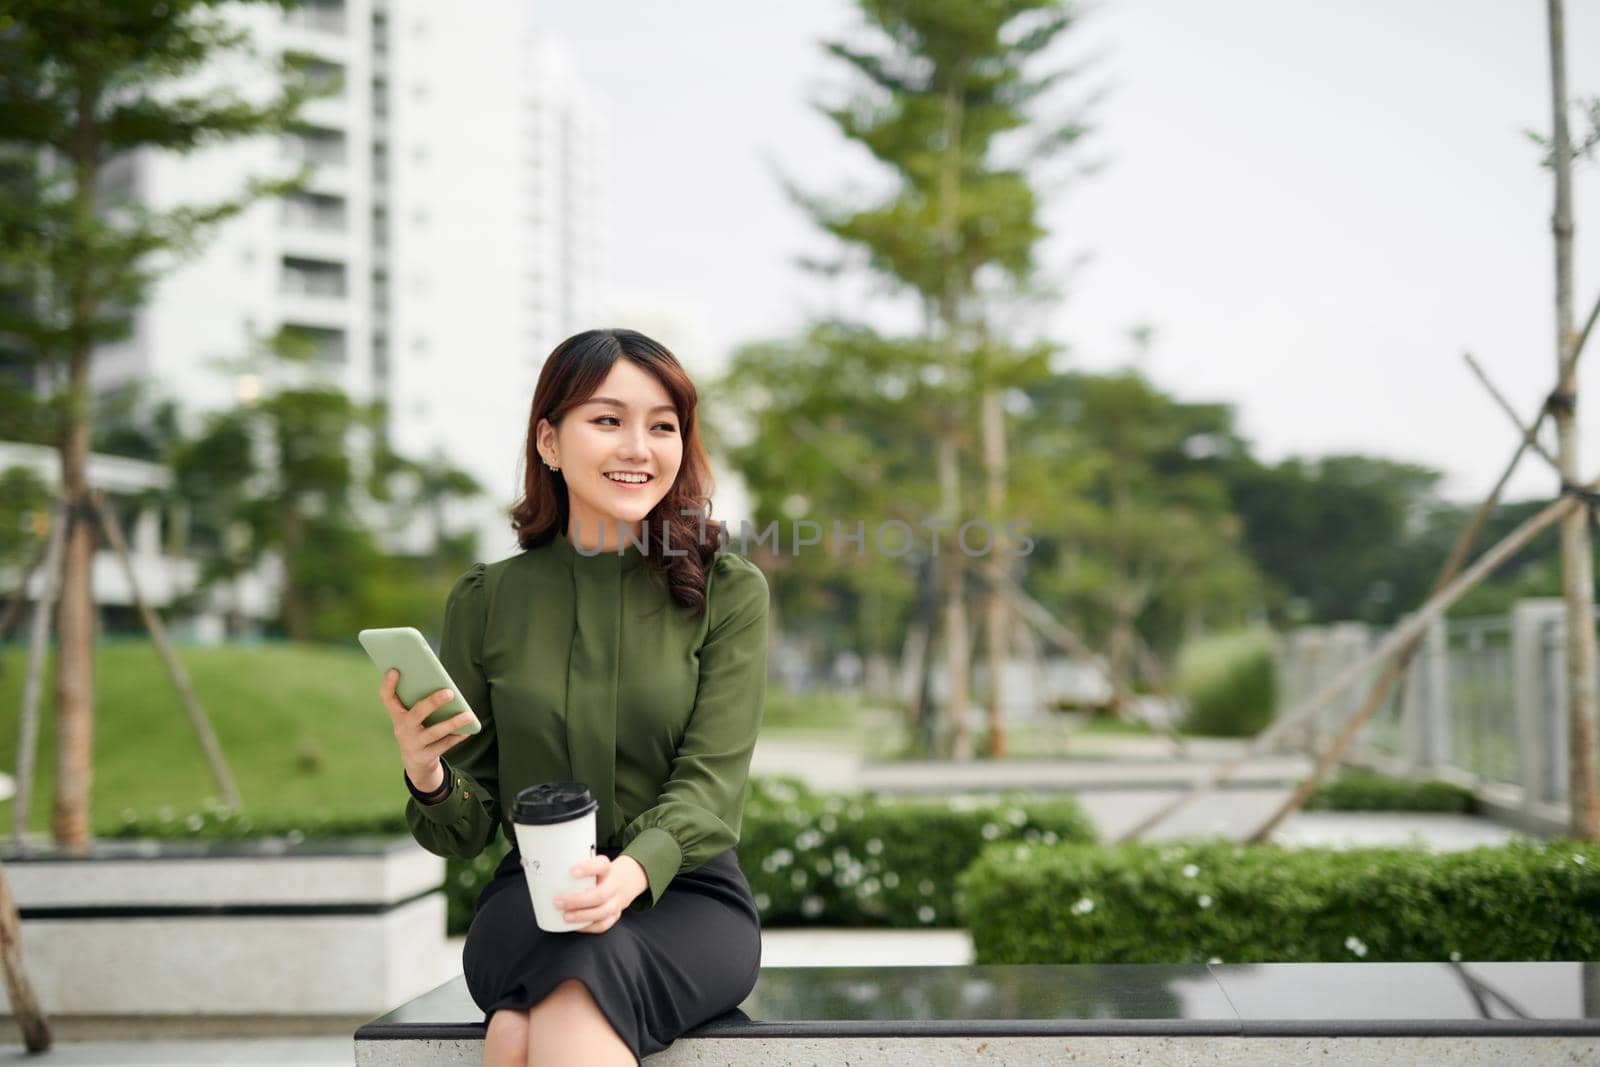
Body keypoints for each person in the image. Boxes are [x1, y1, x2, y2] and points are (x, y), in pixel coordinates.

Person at [379, 328, 769, 1066]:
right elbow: (465, 828)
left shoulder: (729, 591)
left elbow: (711, 787)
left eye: (663, 425)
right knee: (559, 984)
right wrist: (427, 775)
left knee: (524, 1024)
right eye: (607, 420)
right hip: (530, 899)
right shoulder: (489, 598)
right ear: (549, 441)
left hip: (685, 898)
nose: (638, 447)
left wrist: (628, 874)